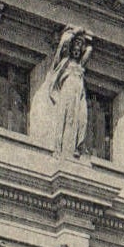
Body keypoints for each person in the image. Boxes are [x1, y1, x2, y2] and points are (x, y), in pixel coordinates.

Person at [39, 28, 93, 158]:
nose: (77, 49)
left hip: (79, 94)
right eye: (75, 45)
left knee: (82, 120)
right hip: (67, 92)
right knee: (67, 119)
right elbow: (63, 43)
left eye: (80, 47)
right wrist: (74, 32)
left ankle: (75, 148)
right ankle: (64, 150)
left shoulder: (80, 64)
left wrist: (83, 37)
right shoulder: (64, 61)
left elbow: (89, 50)